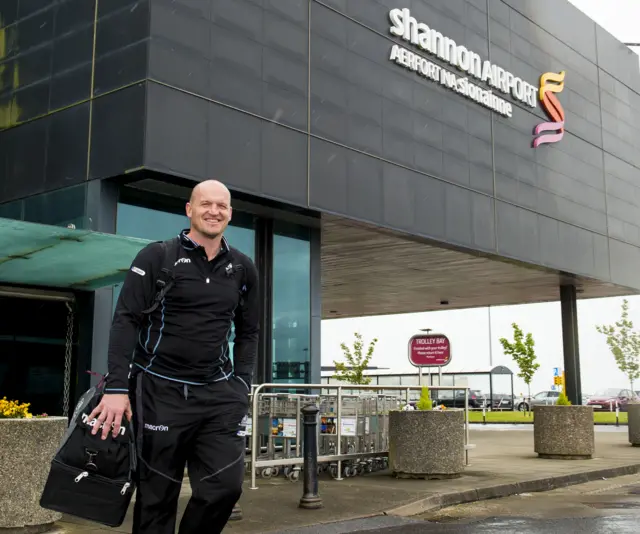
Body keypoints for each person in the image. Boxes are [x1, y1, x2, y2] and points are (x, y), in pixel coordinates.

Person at [87, 180, 259, 533]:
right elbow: (125, 321)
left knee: (225, 489)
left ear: (230, 214)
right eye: (206, 204)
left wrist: (242, 384)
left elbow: (249, 332)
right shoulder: (157, 256)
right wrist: (117, 388)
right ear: (189, 209)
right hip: (159, 392)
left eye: (222, 206)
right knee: (156, 499)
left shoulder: (243, 268)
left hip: (218, 394)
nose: (214, 211)